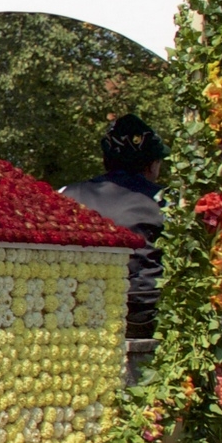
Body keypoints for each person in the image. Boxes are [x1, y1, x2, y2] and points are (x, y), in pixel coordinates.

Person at [61, 116, 168, 345]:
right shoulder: (168, 203)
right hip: (142, 317)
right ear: (152, 165)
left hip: (75, 313)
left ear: (105, 160)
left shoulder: (65, 196)